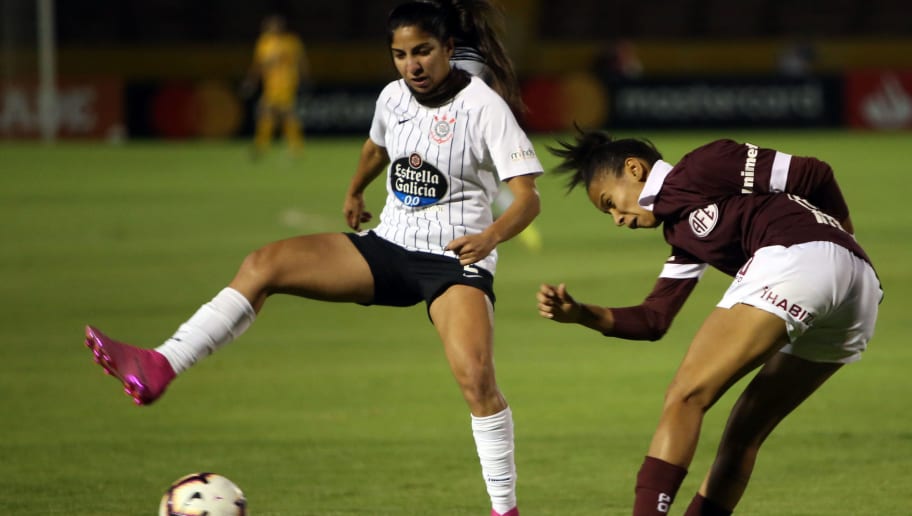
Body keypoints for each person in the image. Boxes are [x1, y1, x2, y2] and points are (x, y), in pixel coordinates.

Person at [83, 2, 540, 515]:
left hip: (454, 260)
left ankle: (505, 510)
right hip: (388, 246)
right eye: (400, 54)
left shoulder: (484, 105)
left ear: (448, 50)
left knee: (476, 379)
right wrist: (354, 190)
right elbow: (376, 147)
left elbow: (527, 198)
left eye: (422, 52)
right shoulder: (393, 97)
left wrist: (491, 238)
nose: (411, 65)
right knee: (264, 264)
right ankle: (160, 363)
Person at [537, 130, 881, 515]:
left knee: (684, 396)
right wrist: (581, 314)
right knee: (742, 437)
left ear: (634, 169)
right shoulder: (681, 232)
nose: (617, 219)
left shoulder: (703, 164)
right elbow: (654, 318)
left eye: (609, 204)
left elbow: (813, 173)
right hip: (860, 291)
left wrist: (835, 237)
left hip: (801, 258)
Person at [438, 0, 543, 253]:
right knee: (495, 184)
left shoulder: (444, 61)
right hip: (482, 134)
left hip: (458, 134)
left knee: (481, 186)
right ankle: (518, 225)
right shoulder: (484, 60)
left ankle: (511, 225)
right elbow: (495, 96)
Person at [241, 14, 310, 157]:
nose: (273, 28)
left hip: (287, 83)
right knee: (269, 113)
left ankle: (291, 147)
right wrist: (251, 81)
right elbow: (258, 65)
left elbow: (301, 61)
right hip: (270, 85)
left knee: (283, 113)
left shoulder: (291, 42)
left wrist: (305, 79)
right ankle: (265, 146)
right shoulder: (264, 43)